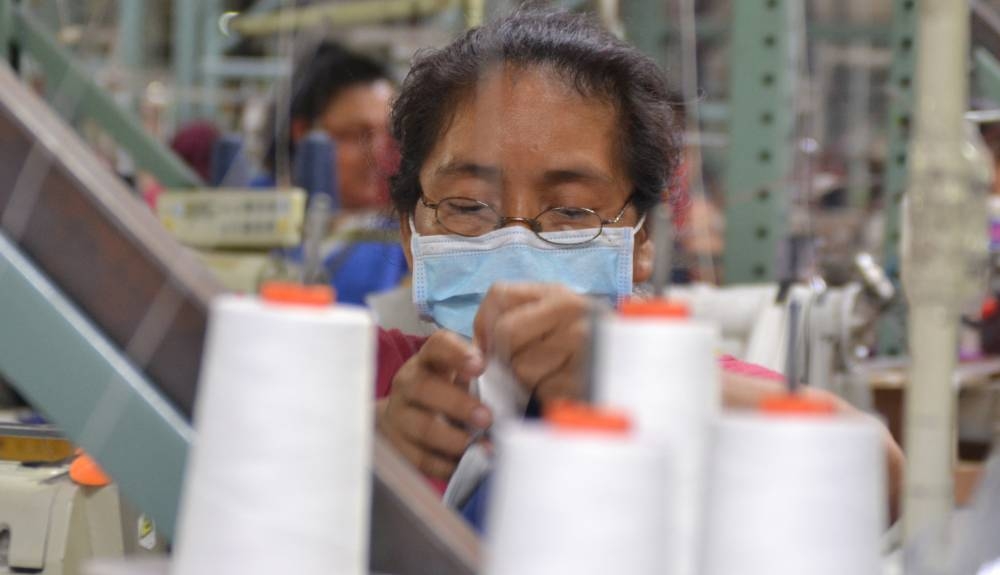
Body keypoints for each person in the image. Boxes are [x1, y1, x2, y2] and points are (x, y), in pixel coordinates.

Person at [372, 9, 903, 523]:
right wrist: (374, 440)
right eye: (468, 206)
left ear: (640, 238)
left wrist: (631, 379)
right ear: (411, 232)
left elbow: (877, 475)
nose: (515, 245)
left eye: (572, 212)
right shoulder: (371, 376)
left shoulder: (695, 397)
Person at [259, 41, 408, 305]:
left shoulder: (405, 238)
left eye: (390, 135)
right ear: (303, 134)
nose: (379, 153)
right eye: (356, 135)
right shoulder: (252, 212)